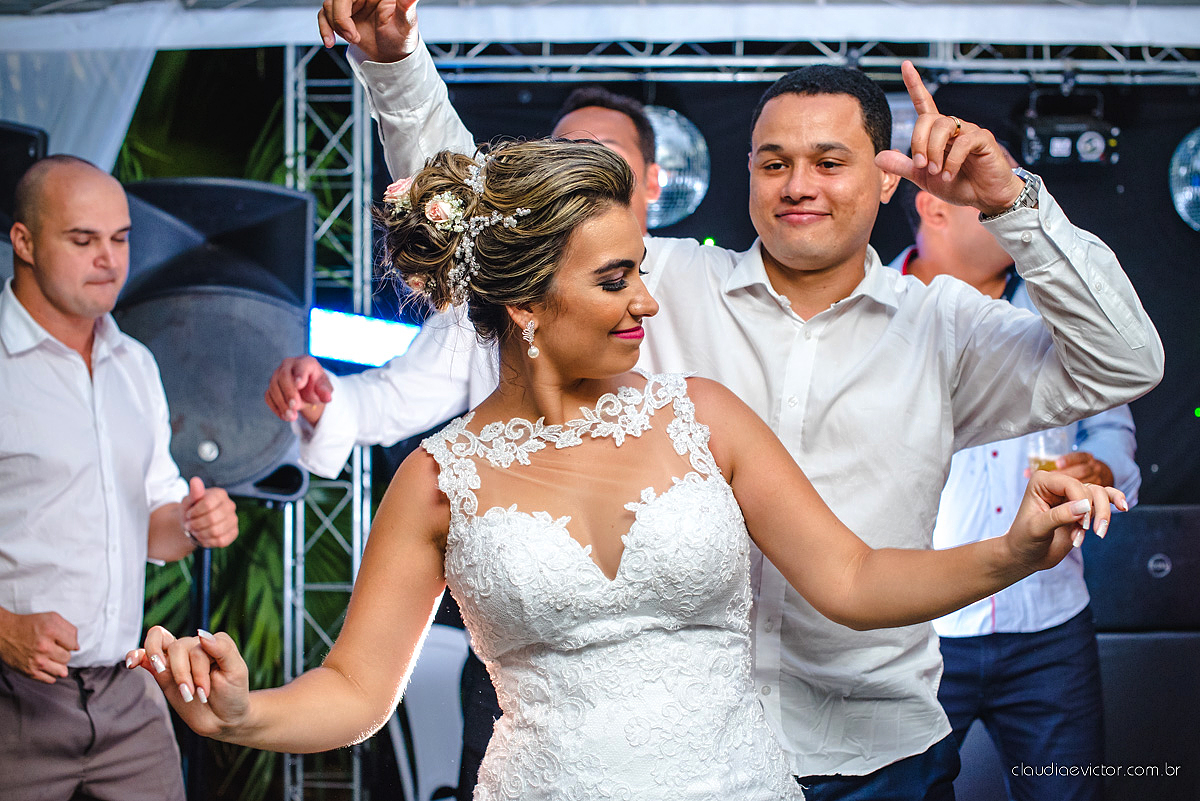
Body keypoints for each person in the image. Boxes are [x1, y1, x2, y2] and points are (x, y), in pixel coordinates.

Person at [287, 5, 1165, 799]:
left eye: (830, 162)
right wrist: (397, 66)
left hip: (876, 753)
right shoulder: (659, 282)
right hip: (673, 759)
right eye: (774, 162)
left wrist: (1013, 203)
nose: (798, 184)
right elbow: (492, 227)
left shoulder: (949, 329)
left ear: (889, 179)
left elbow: (1124, 361)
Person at [131, 138, 1122, 801]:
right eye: (616, 278)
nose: (647, 301)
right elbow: (355, 689)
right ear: (526, 305)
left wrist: (1012, 552)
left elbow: (855, 579)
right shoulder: (437, 481)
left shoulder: (705, 418)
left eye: (641, 269)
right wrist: (241, 712)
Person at [0, 155, 240, 799]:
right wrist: (3, 629)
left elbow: (155, 527)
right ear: (23, 241)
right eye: (83, 240)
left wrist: (192, 523)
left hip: (126, 689)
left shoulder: (135, 364)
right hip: (11, 698)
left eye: (120, 238)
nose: (108, 259)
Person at [892, 181, 1140, 801]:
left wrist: (1105, 470)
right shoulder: (875, 308)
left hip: (1050, 627)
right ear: (933, 205)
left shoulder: (1063, 306)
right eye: (987, 197)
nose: (1010, 209)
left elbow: (1111, 420)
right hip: (911, 628)